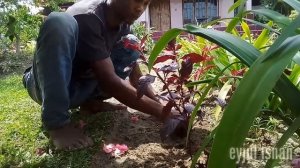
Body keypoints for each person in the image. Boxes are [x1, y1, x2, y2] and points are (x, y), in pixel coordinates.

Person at [22, 0, 170, 150]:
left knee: (130, 44)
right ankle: (57, 125)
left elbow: (136, 76)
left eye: (146, 3)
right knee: (59, 21)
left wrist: (162, 107)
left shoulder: (123, 26)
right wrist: (164, 113)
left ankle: (90, 103)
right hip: (44, 85)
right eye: (137, 0)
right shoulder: (88, 16)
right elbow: (109, 82)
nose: (140, 8)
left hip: (78, 87)